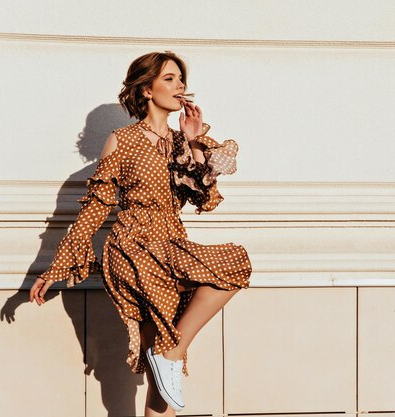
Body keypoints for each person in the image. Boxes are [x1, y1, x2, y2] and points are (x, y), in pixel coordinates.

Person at [29, 51, 252, 415]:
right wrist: (55, 268)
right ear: (146, 89)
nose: (179, 86)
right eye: (169, 79)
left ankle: (171, 352)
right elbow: (97, 205)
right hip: (133, 247)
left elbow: (206, 200)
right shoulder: (123, 140)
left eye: (181, 79)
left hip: (171, 241)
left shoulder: (186, 141)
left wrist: (194, 143)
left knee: (232, 266)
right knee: (163, 362)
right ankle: (171, 353)